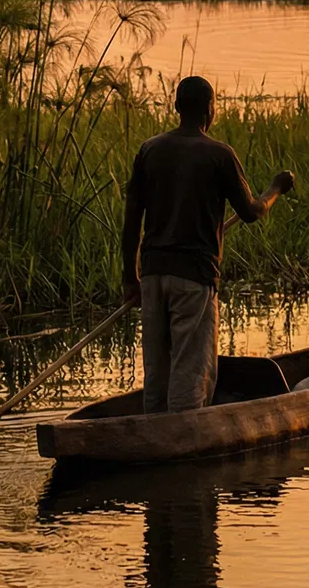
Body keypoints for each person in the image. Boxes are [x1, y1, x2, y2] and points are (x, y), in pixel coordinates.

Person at [122, 76, 294, 413]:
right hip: (194, 280)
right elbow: (251, 211)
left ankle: (150, 437)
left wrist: (131, 276)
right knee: (189, 374)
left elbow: (132, 219)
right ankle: (182, 443)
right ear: (210, 111)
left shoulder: (150, 150)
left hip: (153, 278)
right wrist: (276, 187)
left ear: (176, 108)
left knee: (157, 374)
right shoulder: (219, 154)